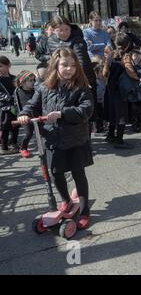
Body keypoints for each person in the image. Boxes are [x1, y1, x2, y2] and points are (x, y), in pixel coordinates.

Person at [17, 48, 94, 230]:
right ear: (55, 66)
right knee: (55, 173)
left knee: (78, 173)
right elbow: (32, 104)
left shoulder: (82, 87)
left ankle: (84, 211)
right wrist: (24, 113)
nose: (69, 69)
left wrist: (62, 113)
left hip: (75, 138)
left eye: (73, 65)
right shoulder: (44, 87)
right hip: (52, 138)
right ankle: (66, 200)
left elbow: (86, 110)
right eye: (65, 65)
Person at [46, 15, 97, 127]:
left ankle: (85, 136)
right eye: (60, 30)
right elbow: (50, 59)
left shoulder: (77, 40)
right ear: (54, 30)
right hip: (60, 81)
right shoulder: (50, 41)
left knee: (81, 110)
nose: (64, 33)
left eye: (66, 29)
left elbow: (81, 62)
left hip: (81, 78)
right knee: (62, 108)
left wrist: (82, 80)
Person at [102, 33, 133, 149]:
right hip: (121, 90)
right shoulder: (126, 56)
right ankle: (119, 140)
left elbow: (104, 74)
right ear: (127, 44)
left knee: (112, 113)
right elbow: (131, 72)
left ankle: (110, 135)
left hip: (110, 89)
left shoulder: (110, 55)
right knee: (121, 116)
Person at [13, 71, 36, 158]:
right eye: (30, 80)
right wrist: (20, 116)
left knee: (43, 132)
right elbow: (17, 105)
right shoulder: (18, 91)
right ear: (22, 82)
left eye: (34, 80)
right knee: (28, 133)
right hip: (24, 116)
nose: (33, 82)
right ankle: (23, 147)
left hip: (36, 114)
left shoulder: (35, 90)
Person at [0, 56, 19, 155]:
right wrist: (8, 98)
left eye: (1, 66)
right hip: (4, 107)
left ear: (9, 65)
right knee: (5, 126)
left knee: (16, 124)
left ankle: (14, 143)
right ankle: (4, 147)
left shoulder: (14, 78)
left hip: (15, 106)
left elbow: (20, 90)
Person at [93, 62, 106, 133]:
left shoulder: (102, 80)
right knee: (97, 114)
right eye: (101, 72)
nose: (102, 73)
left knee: (101, 114)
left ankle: (101, 126)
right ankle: (96, 128)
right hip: (97, 100)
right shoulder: (95, 81)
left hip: (101, 100)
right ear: (96, 72)